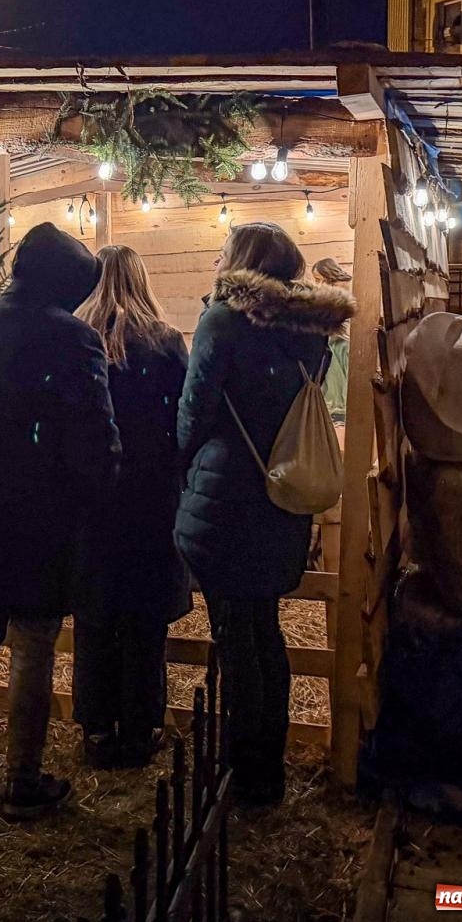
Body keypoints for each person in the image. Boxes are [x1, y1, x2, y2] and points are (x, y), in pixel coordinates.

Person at [0, 223, 121, 821]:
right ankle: (22, 779)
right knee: (34, 642)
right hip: (42, 515)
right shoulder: (74, 338)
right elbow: (94, 434)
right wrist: (97, 489)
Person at [176, 222, 354, 806]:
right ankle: (268, 768)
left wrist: (182, 464)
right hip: (283, 497)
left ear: (240, 262)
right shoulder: (311, 329)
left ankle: (241, 772)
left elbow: (195, 410)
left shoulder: (223, 322)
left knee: (234, 635)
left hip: (227, 495)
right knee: (266, 631)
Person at [73, 245, 191, 768]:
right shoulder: (165, 342)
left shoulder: (78, 339)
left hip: (93, 495)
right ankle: (142, 727)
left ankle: (97, 729)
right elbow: (184, 417)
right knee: (145, 618)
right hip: (150, 494)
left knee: (95, 615)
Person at [311, 257, 352, 425]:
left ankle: (337, 407)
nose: (317, 283)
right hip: (334, 335)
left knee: (334, 367)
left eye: (319, 279)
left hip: (341, 338)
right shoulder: (331, 288)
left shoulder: (340, 287)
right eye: (316, 280)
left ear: (327, 274)